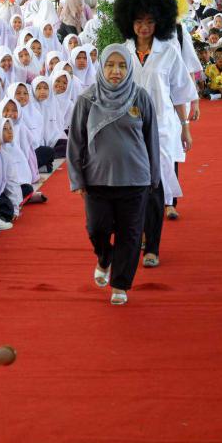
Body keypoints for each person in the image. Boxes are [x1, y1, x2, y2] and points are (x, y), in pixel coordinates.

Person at [67, 44, 160, 306]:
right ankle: (104, 257)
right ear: (101, 66)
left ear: (129, 68)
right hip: (97, 179)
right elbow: (76, 141)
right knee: (97, 228)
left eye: (121, 65)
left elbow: (152, 138)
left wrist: (154, 176)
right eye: (110, 65)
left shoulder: (140, 97)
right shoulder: (87, 100)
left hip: (135, 178)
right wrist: (77, 178)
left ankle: (120, 284)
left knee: (130, 234)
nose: (115, 71)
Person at [113, 0, 198, 266]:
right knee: (131, 189)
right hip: (127, 130)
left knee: (154, 186)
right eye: (138, 21)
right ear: (129, 22)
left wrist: (185, 126)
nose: (144, 27)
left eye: (150, 21)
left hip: (160, 129)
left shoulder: (169, 52)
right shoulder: (120, 54)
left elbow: (180, 92)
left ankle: (153, 247)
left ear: (159, 22)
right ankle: (138, 234)